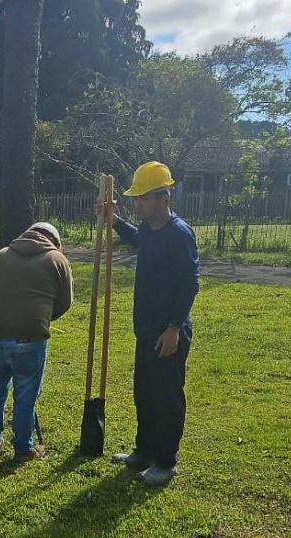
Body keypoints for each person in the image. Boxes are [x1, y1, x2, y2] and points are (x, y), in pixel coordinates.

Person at [100, 161, 200, 486]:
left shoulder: (179, 234)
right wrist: (114, 221)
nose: (137, 203)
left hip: (167, 332)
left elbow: (189, 285)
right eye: (136, 198)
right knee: (143, 392)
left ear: (163, 197)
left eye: (143, 198)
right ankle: (144, 451)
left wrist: (173, 328)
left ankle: (166, 461)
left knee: (167, 397)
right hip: (145, 329)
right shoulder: (148, 229)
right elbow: (136, 239)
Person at [0, 222, 74, 462]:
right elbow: (65, 302)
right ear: (54, 242)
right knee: (26, 395)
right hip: (31, 338)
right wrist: (42, 316)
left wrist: (0, 311)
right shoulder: (58, 261)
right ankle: (23, 447)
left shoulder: (0, 256)